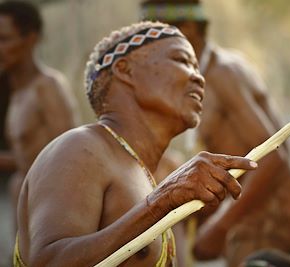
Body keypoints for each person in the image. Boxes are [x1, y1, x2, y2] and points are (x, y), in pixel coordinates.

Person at [14, 20, 259, 267]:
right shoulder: (80, 148)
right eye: (182, 60)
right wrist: (162, 200)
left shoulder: (144, 171)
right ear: (125, 69)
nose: (199, 78)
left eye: (197, 67)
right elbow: (48, 262)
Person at [140, 1, 290, 266]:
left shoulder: (223, 74)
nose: (150, 51)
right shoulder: (205, 70)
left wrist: (221, 226)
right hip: (252, 203)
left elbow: (272, 158)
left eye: (155, 40)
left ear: (188, 29)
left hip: (274, 209)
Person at [0, 0, 79, 237]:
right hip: (23, 205)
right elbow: (24, 157)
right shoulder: (17, 92)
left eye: (4, 39)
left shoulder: (47, 88)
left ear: (30, 39)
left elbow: (68, 156)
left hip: (49, 214)